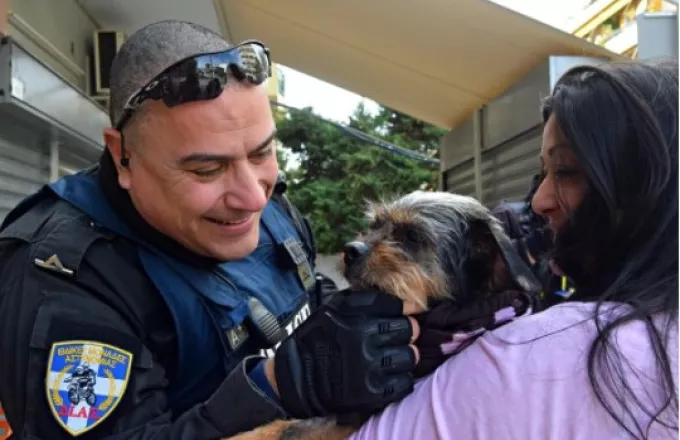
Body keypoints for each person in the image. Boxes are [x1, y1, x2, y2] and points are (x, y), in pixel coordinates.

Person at [0, 20, 420, 439]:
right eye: (207, 169)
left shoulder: (270, 208)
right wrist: (273, 387)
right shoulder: (62, 282)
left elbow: (304, 293)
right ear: (123, 155)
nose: (253, 198)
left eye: (262, 153)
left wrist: (354, 324)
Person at [349, 60, 678, 439]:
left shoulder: (533, 351)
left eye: (567, 170)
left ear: (648, 189)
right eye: (542, 174)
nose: (538, 200)